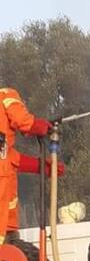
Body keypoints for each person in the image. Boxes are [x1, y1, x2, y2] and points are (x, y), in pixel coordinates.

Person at [0, 88, 61, 245]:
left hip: (8, 229)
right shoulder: (6, 95)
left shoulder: (4, 150)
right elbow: (21, 119)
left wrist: (42, 167)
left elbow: (12, 159)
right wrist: (35, 124)